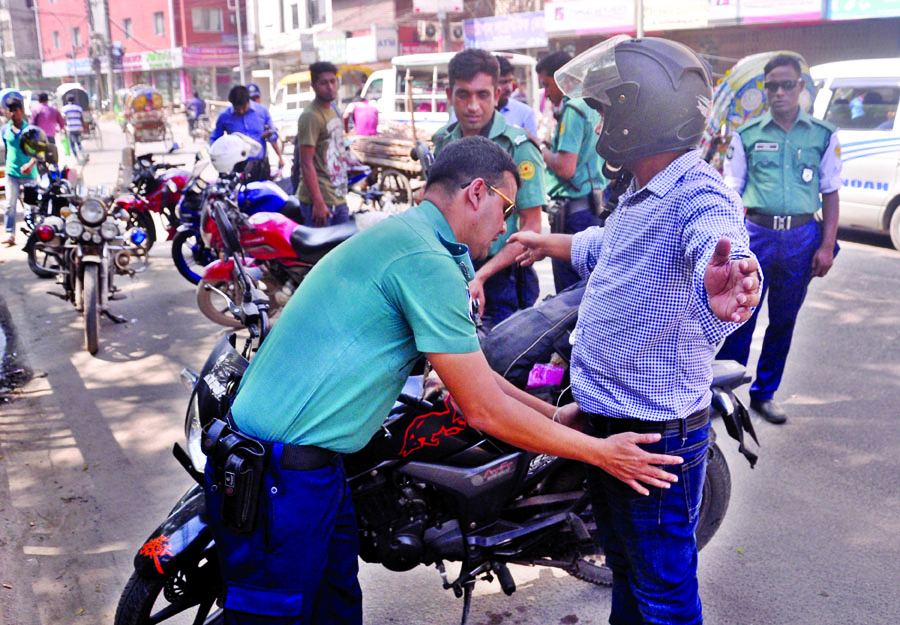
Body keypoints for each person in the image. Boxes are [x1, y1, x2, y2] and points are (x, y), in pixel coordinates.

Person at [207, 135, 686, 625]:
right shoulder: (425, 263)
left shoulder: (414, 238)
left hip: (315, 466)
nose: (504, 229)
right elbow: (482, 408)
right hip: (280, 473)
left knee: (335, 609)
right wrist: (601, 453)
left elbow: (471, 368)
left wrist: (553, 415)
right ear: (476, 192)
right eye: (505, 209)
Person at [511, 36, 761, 625]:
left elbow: (719, 241)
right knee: (626, 566)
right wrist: (550, 241)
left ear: (639, 113)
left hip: (651, 435)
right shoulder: (642, 193)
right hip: (609, 422)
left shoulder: (695, 192)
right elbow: (612, 249)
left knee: (663, 594)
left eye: (605, 109)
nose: (599, 123)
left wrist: (725, 276)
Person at [717, 53, 841, 425]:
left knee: (783, 320)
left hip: (802, 239)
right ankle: (726, 390)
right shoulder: (747, 136)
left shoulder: (823, 135)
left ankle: (764, 393)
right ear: (765, 90)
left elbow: (831, 192)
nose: (780, 92)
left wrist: (825, 246)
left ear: (800, 88)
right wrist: (733, 244)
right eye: (772, 86)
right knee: (740, 316)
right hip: (755, 237)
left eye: (788, 84)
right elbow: (731, 193)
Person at [431, 49, 546, 328]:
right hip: (451, 273)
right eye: (463, 94)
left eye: (482, 95)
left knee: (501, 359)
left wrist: (481, 277)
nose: (473, 106)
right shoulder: (444, 142)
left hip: (500, 278)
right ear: (449, 95)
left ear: (496, 95)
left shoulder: (518, 147)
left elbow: (531, 226)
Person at [536, 50, 608, 292]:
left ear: (562, 79)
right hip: (592, 208)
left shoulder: (573, 108)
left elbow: (566, 167)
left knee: (568, 296)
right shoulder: (591, 105)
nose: (546, 94)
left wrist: (540, 149)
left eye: (547, 85)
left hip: (573, 214)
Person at [295, 61, 351, 227]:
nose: (330, 87)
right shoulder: (311, 116)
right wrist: (319, 203)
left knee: (344, 252)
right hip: (319, 202)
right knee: (322, 253)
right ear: (314, 86)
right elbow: (306, 163)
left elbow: (334, 148)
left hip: (338, 197)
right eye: (323, 83)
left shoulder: (333, 109)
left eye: (333, 81)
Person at [210, 85, 281, 182]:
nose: (241, 111)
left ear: (249, 101)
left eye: (243, 107)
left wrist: (270, 136)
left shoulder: (262, 112)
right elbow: (215, 139)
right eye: (237, 108)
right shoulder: (224, 117)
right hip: (237, 166)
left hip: (259, 165)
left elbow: (273, 137)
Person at [2, 100, 38, 245]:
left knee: (30, 207)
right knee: (10, 205)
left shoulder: (30, 130)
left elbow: (38, 152)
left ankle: (33, 234)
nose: (13, 113)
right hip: (11, 173)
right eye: (10, 110)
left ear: (21, 111)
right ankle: (10, 234)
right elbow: (6, 149)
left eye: (15, 110)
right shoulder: (4, 129)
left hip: (29, 174)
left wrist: (30, 164)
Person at [496, 55, 537, 136]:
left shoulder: (525, 114)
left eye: (510, 81)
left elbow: (532, 147)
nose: (509, 88)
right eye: (503, 82)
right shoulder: (480, 114)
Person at [61, 94, 84, 160]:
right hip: (78, 128)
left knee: (72, 144)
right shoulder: (78, 108)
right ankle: (82, 154)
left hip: (70, 128)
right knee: (79, 142)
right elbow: (81, 118)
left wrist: (64, 128)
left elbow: (64, 119)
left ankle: (77, 158)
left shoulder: (65, 109)